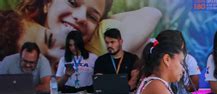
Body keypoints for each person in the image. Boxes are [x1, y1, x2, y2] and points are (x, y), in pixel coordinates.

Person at [15, 0, 161, 65]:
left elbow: (151, 13)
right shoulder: (23, 29)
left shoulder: (100, 36)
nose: (81, 17)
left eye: (92, 16)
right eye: (72, 2)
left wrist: (108, 61)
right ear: (47, 3)